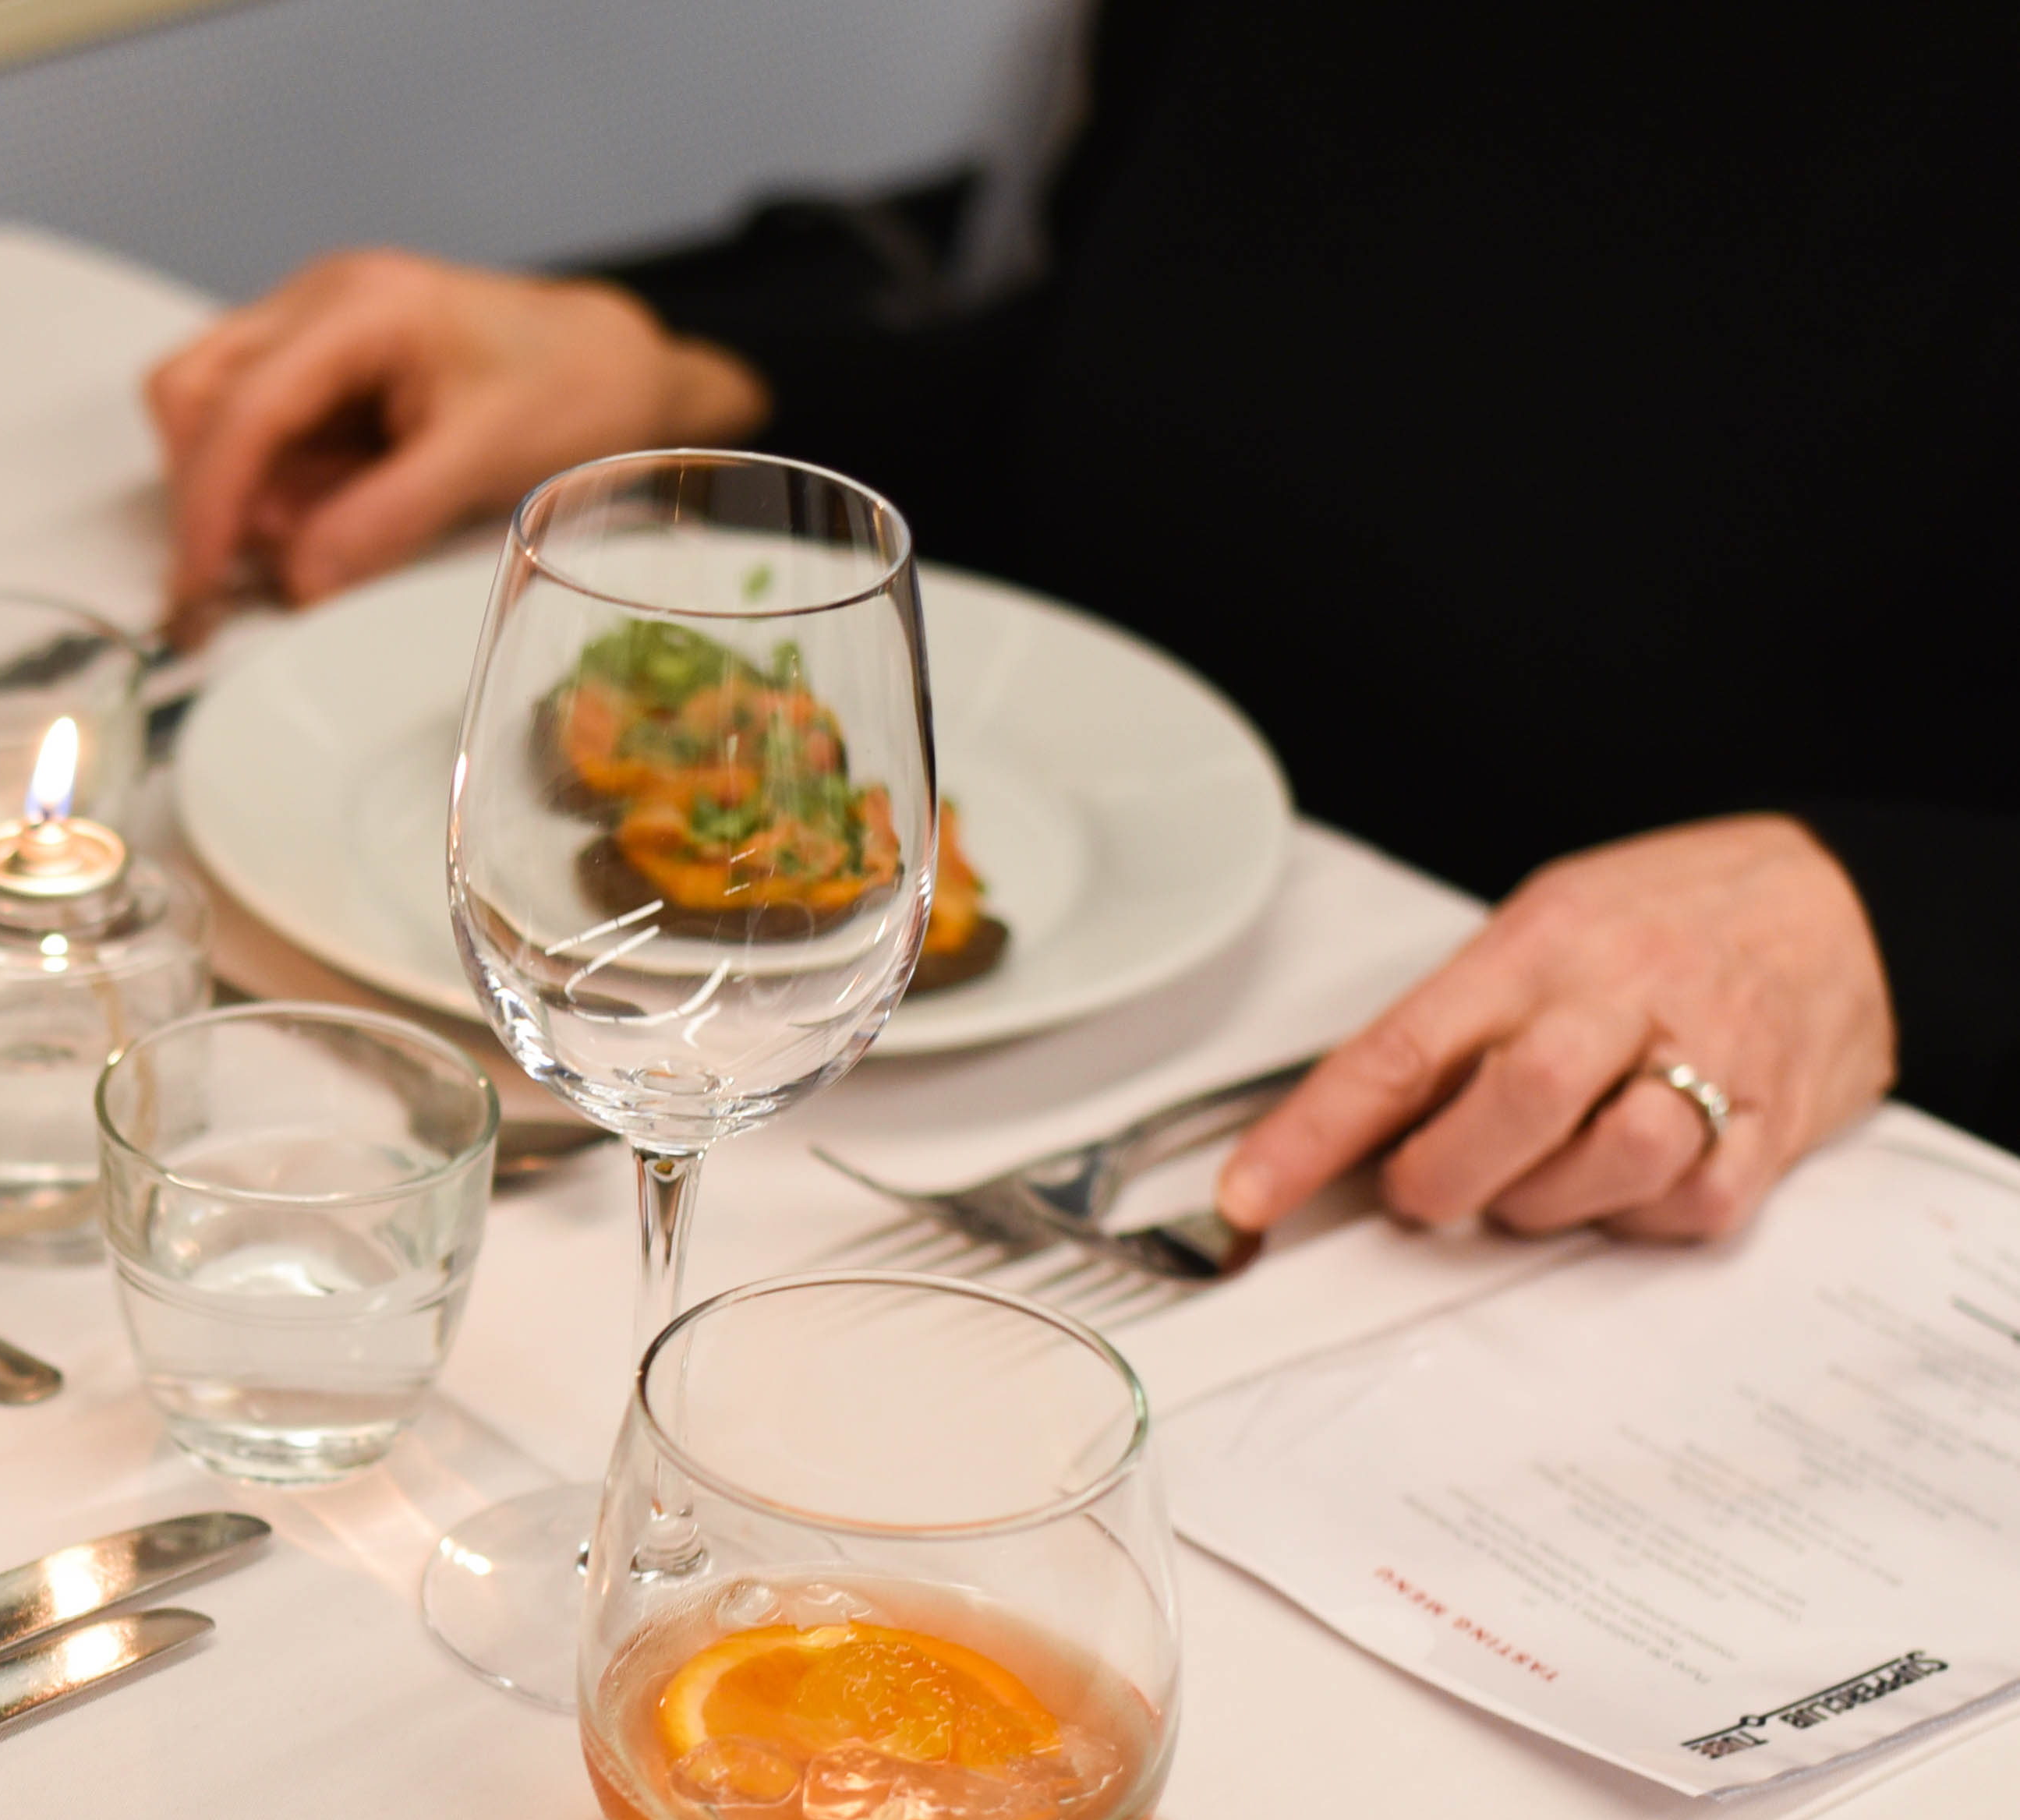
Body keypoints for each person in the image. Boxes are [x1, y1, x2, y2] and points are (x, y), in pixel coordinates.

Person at [144, 0, 2019, 1243]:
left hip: (1595, 1183)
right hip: (1098, 1081)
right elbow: (1200, 384)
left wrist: (1888, 925)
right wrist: (696, 380)